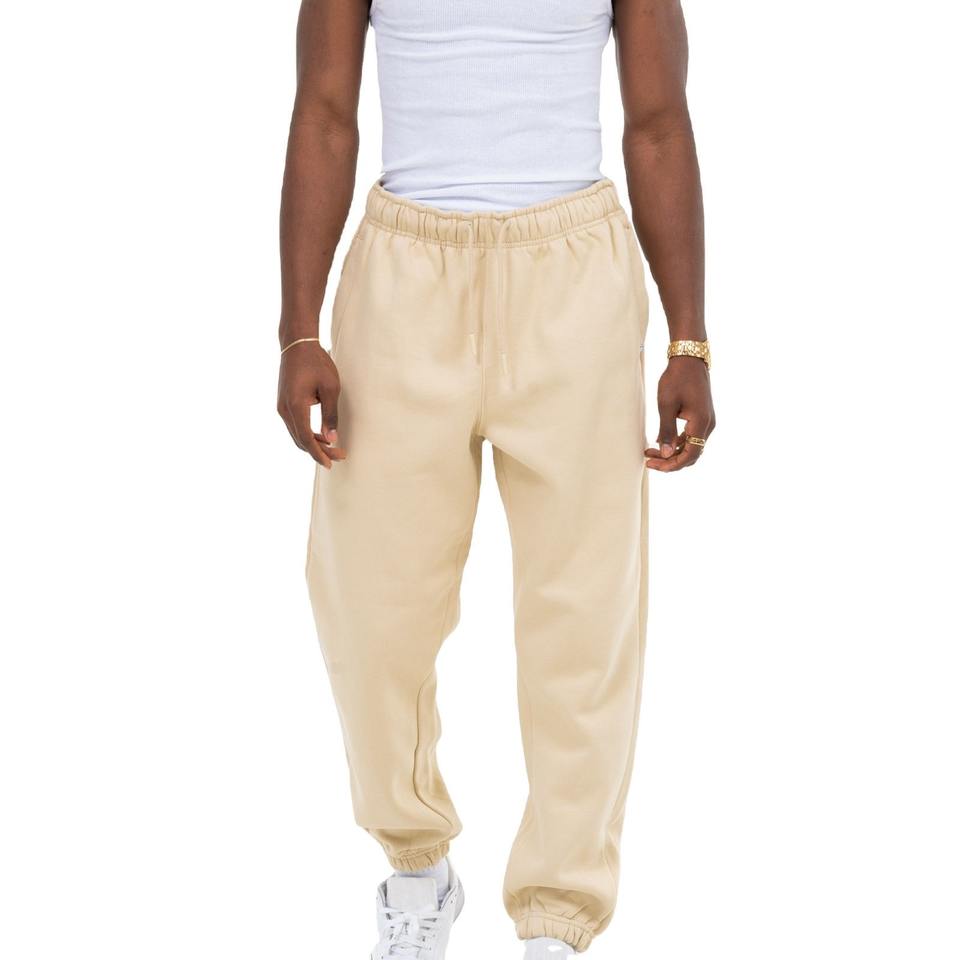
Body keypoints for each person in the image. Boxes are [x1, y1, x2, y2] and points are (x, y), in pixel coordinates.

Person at [276, 0, 715, 955]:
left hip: (575, 277)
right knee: (368, 607)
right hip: (403, 279)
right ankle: (417, 870)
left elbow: (657, 121)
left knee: (584, 618)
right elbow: (325, 112)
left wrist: (689, 339)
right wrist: (298, 328)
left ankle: (556, 917)